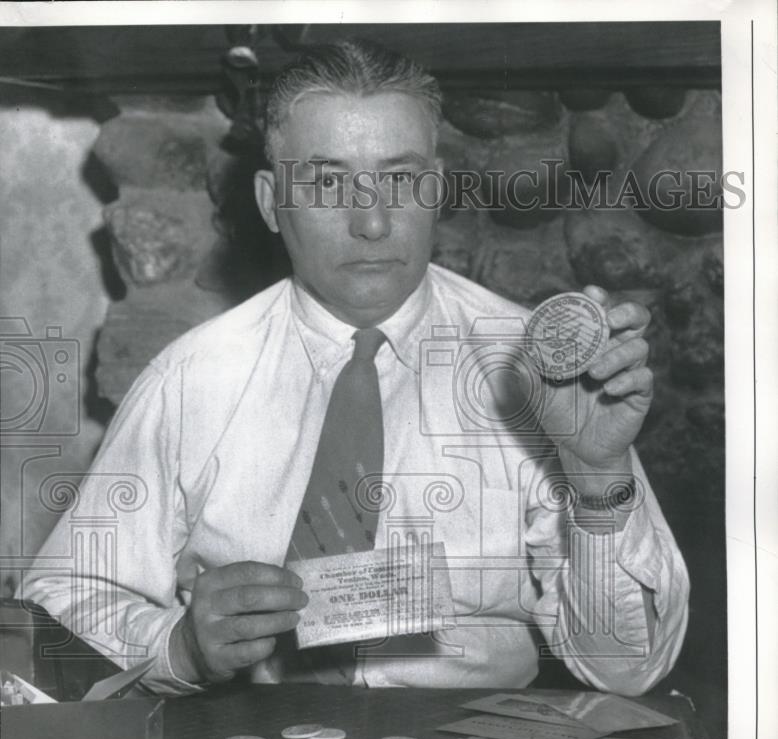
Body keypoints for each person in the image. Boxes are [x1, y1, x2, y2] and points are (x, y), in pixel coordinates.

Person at [21, 39, 689, 697]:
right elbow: (57, 602)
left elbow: (626, 669)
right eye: (327, 181)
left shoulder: (538, 374)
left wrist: (597, 476)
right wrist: (178, 646)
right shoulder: (191, 379)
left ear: (437, 190)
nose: (370, 221)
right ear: (269, 202)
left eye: (399, 179)